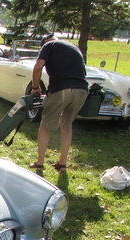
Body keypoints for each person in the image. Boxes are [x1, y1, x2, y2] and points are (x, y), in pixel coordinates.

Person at [29, 34, 88, 173]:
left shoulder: (48, 46)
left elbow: (38, 67)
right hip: (82, 89)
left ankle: (40, 163)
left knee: (45, 126)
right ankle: (62, 164)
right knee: (66, 126)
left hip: (61, 88)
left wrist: (35, 87)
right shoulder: (74, 47)